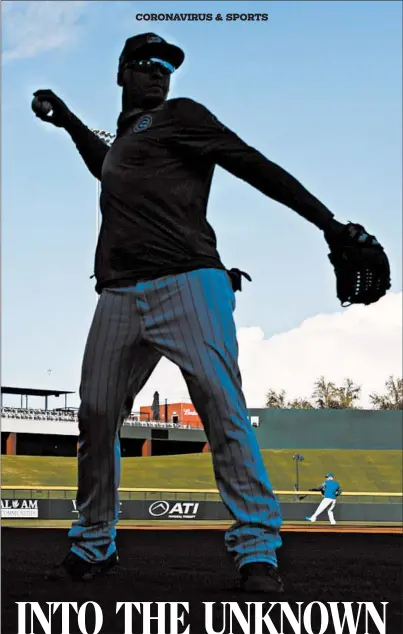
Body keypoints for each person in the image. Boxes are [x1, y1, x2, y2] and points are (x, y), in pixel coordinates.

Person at [33, 32, 347, 592]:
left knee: (223, 408)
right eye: (147, 64)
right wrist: (68, 122)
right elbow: (107, 167)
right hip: (119, 294)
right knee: (97, 415)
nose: (160, 73)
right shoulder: (128, 139)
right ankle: (94, 543)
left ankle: (257, 548)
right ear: (123, 73)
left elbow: (253, 164)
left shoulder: (180, 115)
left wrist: (331, 225)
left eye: (167, 67)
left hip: (190, 283)